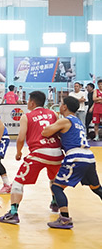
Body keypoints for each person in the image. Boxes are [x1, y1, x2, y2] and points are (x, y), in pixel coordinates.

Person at [0, 91, 64, 224]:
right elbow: (60, 133)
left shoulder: (26, 116)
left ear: (32, 103)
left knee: (17, 183)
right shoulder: (53, 114)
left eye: (28, 101)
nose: (27, 103)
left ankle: (13, 213)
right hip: (57, 153)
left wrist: (18, 152)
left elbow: (21, 138)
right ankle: (55, 202)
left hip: (39, 153)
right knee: (54, 179)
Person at [41, 96, 102, 229]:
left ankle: (64, 219)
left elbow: (45, 132)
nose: (60, 105)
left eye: (61, 103)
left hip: (75, 157)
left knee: (57, 187)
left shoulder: (65, 120)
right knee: (96, 188)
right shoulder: (78, 121)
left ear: (64, 107)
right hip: (89, 157)